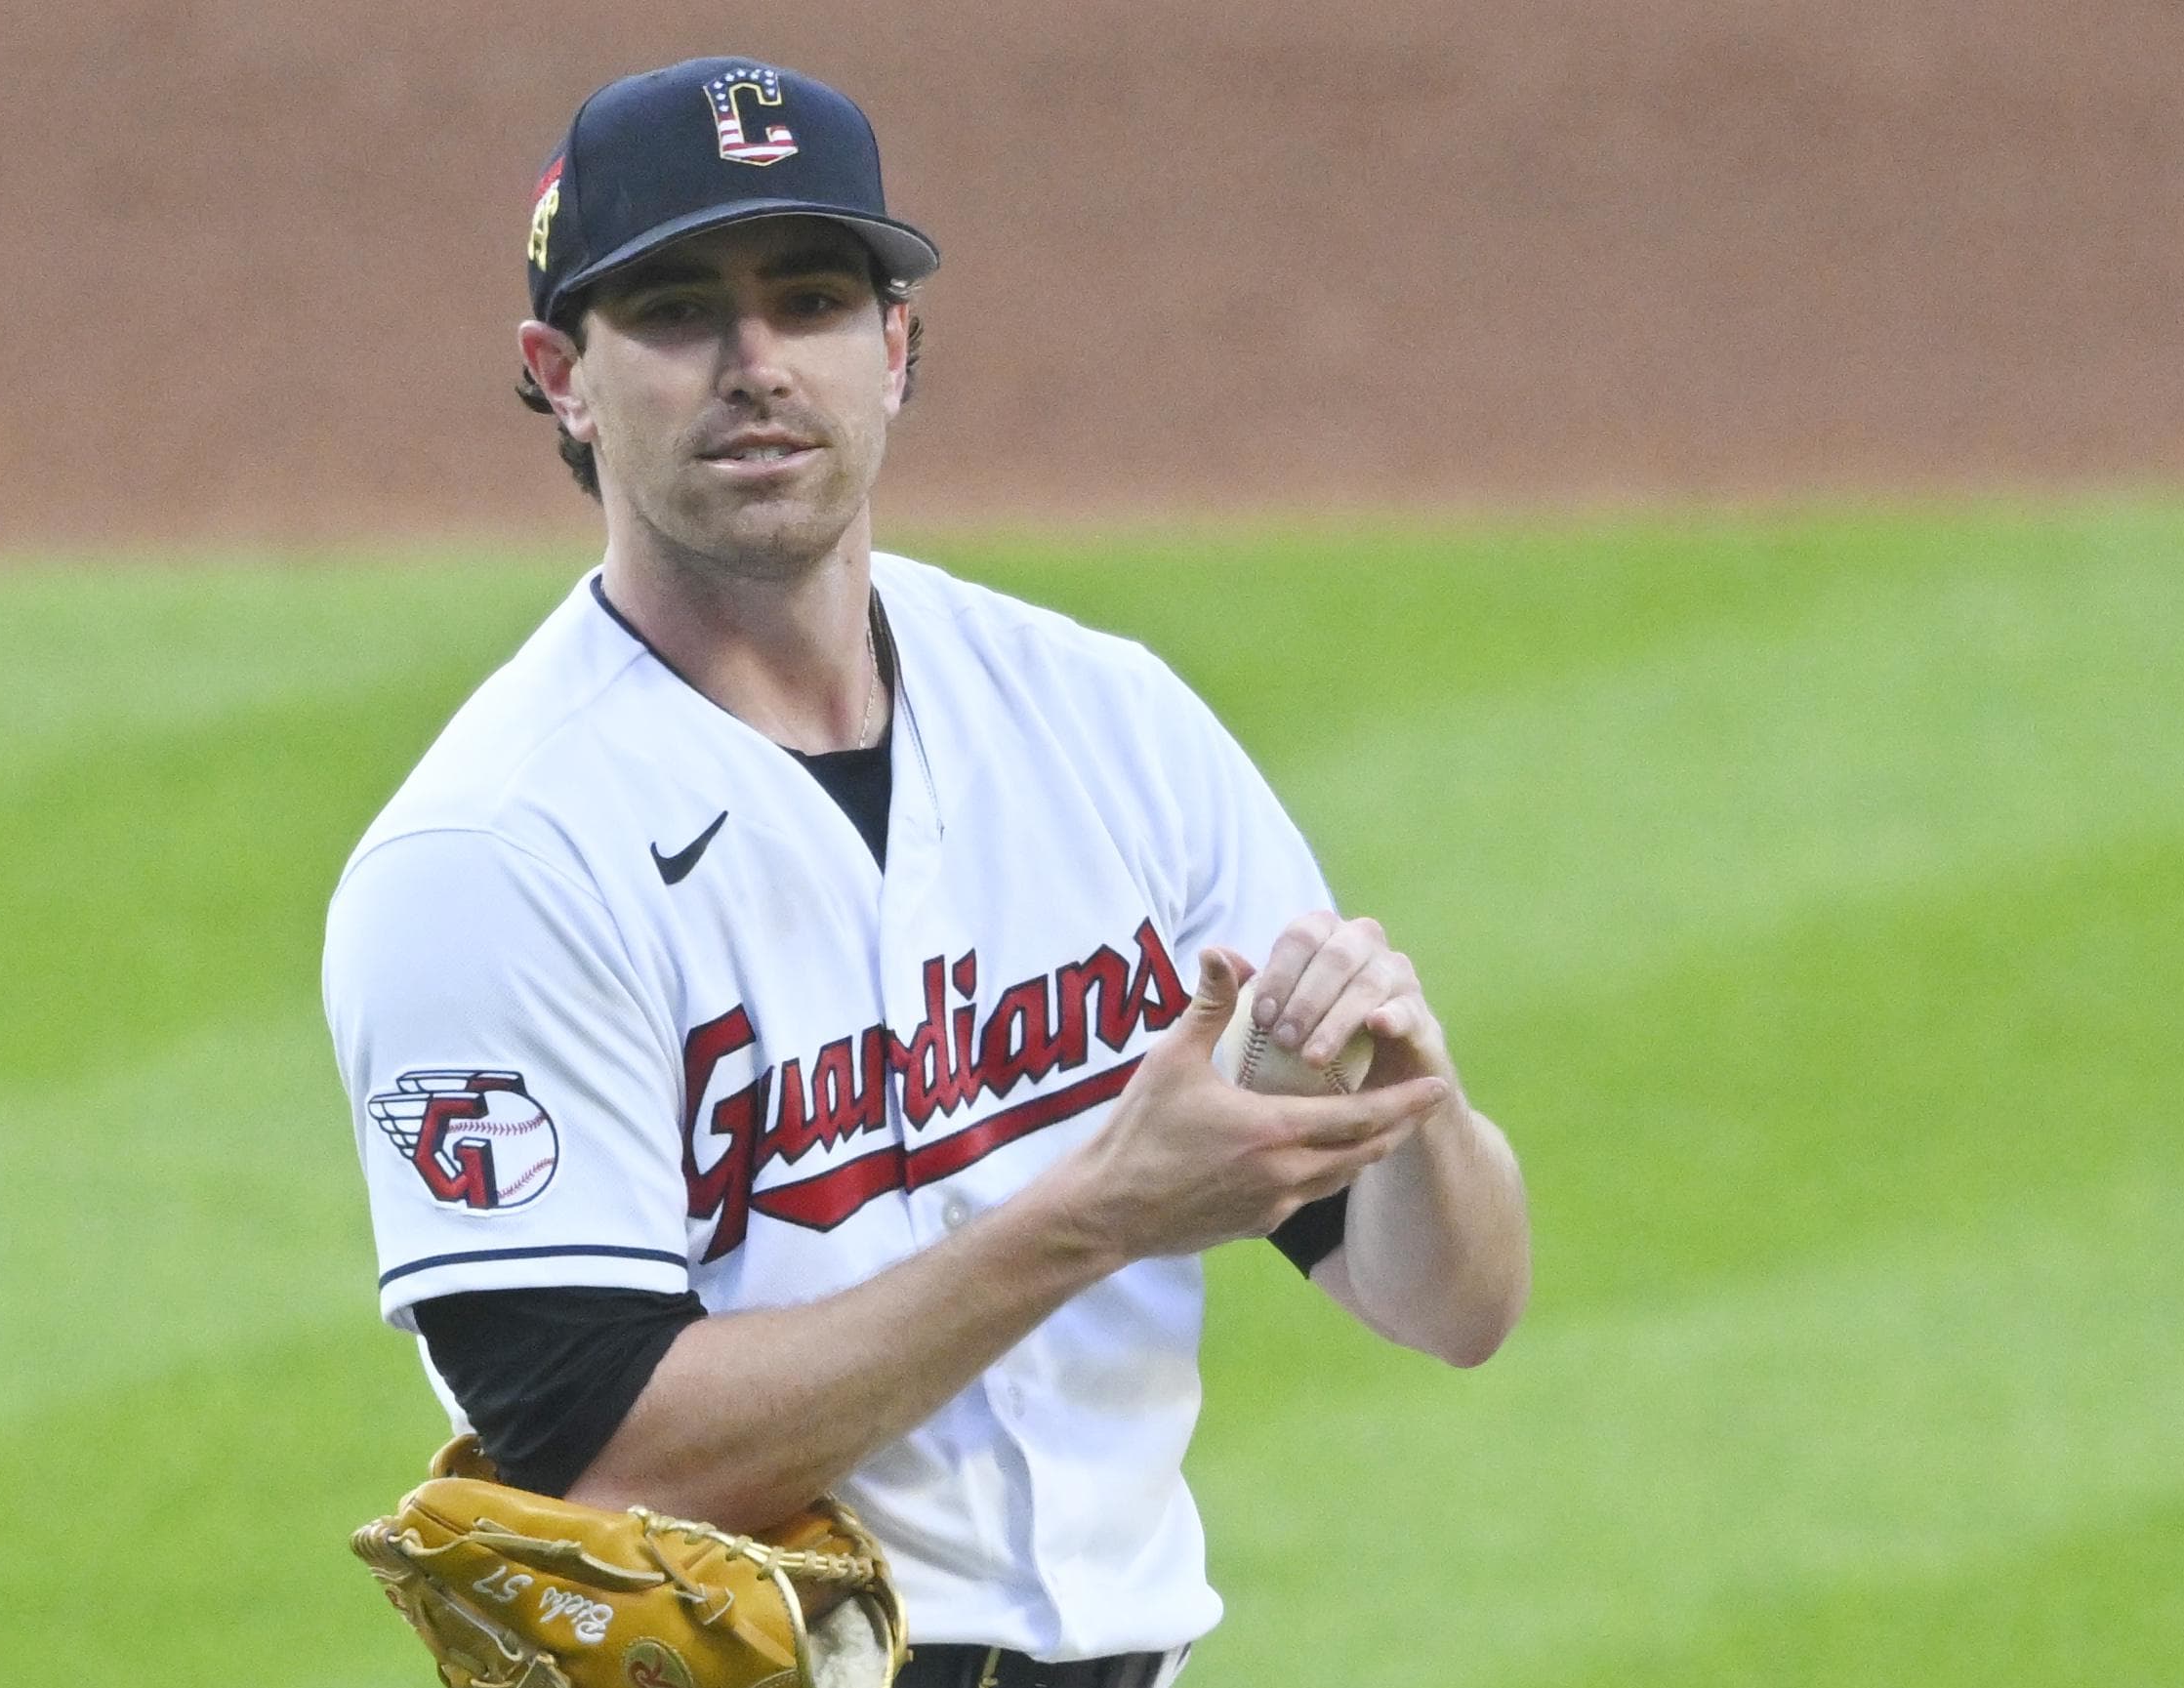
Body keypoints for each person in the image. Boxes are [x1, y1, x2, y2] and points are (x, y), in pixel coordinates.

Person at [323, 56, 1531, 1688]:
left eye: (813, 298)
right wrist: (1097, 1214)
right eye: (679, 312)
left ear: (895, 348)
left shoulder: (1103, 720)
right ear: (564, 377)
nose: (757, 365)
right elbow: (598, 1448)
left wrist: (1418, 1122)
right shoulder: (492, 858)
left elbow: (1452, 1304)